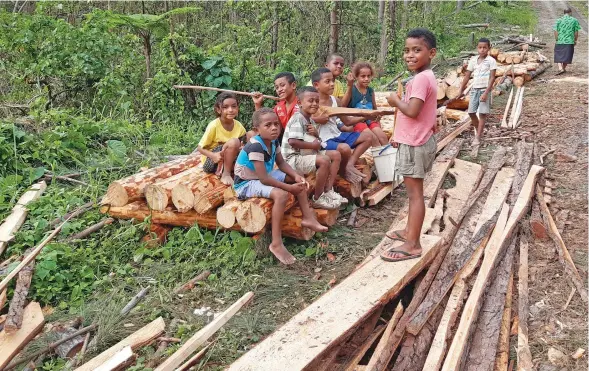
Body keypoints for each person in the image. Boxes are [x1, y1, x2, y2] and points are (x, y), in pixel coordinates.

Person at [233, 108, 328, 265]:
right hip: (246, 183)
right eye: (268, 125)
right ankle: (276, 243)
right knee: (281, 195)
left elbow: (282, 163)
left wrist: (296, 176)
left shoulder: (274, 141)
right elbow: (264, 179)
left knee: (298, 179)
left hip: (264, 175)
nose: (274, 128)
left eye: (276, 124)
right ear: (257, 129)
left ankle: (307, 217)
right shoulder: (255, 146)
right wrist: (289, 188)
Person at [381, 28, 438, 262]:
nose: (410, 55)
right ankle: (408, 232)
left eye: (417, 50)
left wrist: (395, 101)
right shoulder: (422, 77)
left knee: (415, 195)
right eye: (406, 50)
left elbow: (412, 111)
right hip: (413, 140)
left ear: (431, 53)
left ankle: (413, 244)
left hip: (416, 144)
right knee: (412, 193)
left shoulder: (421, 79)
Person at [281, 86, 347, 209]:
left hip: (304, 154)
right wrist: (313, 145)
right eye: (310, 101)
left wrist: (316, 135)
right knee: (324, 160)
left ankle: (328, 190)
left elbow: (316, 141)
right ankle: (318, 198)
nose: (315, 104)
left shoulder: (309, 119)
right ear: (300, 103)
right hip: (292, 159)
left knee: (336, 155)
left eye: (317, 101)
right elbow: (293, 142)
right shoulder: (297, 118)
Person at [311, 67, 375, 184]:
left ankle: (349, 164)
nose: (332, 84)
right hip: (322, 139)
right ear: (316, 85)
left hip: (337, 135)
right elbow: (302, 120)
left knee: (368, 137)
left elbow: (348, 122)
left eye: (332, 81)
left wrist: (367, 116)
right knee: (344, 148)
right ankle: (342, 171)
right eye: (327, 81)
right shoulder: (311, 102)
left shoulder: (336, 101)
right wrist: (316, 119)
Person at [195, 92, 246, 185]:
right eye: (225, 107)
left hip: (230, 160)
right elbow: (199, 148)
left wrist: (243, 148)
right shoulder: (214, 125)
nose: (230, 110)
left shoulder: (239, 126)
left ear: (238, 108)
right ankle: (225, 174)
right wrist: (213, 156)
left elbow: (243, 144)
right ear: (218, 110)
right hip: (213, 161)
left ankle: (234, 171)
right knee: (234, 142)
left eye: (234, 106)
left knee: (249, 141)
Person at [456, 37, 496, 146]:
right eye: (480, 47)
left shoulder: (491, 61)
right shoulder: (473, 60)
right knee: (471, 112)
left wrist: (486, 92)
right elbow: (467, 76)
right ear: (477, 48)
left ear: (489, 48)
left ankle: (477, 137)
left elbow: (492, 78)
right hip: (474, 89)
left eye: (484, 48)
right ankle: (480, 130)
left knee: (482, 114)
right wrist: (461, 90)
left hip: (484, 89)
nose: (482, 50)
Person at [342, 61, 389, 145]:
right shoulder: (352, 89)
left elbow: (374, 109)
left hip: (370, 119)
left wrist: (378, 121)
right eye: (363, 76)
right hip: (356, 121)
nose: (366, 79)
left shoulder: (370, 91)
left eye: (368, 76)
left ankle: (387, 157)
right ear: (356, 77)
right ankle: (379, 157)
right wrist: (349, 86)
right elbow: (342, 106)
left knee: (382, 137)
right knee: (373, 138)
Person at [553, 7, 581, 75]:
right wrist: (575, 40)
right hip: (569, 41)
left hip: (560, 41)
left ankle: (560, 68)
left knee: (558, 54)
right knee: (568, 55)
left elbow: (555, 31)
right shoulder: (574, 20)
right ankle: (563, 68)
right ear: (570, 12)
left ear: (564, 13)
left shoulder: (558, 20)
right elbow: (576, 32)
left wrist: (557, 39)